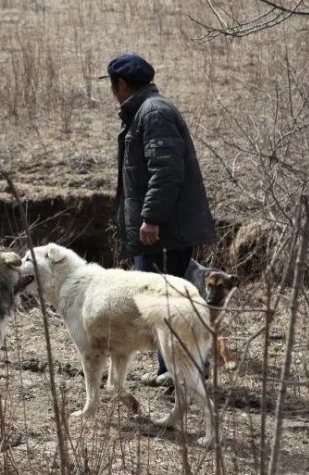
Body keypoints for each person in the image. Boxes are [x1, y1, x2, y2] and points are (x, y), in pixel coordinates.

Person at [106, 52, 216, 384]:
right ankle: (175, 371)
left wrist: (150, 218)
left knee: (164, 306)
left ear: (122, 85)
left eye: (113, 86)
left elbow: (166, 172)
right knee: (165, 305)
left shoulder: (153, 114)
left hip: (163, 233)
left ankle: (180, 374)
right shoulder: (145, 112)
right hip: (163, 231)